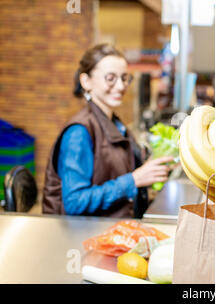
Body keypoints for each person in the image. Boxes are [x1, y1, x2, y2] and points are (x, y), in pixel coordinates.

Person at [43, 44, 173, 218]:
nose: (120, 86)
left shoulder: (115, 123)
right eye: (110, 78)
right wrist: (133, 180)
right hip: (86, 237)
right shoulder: (79, 132)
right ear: (86, 81)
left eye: (125, 78)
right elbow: (74, 202)